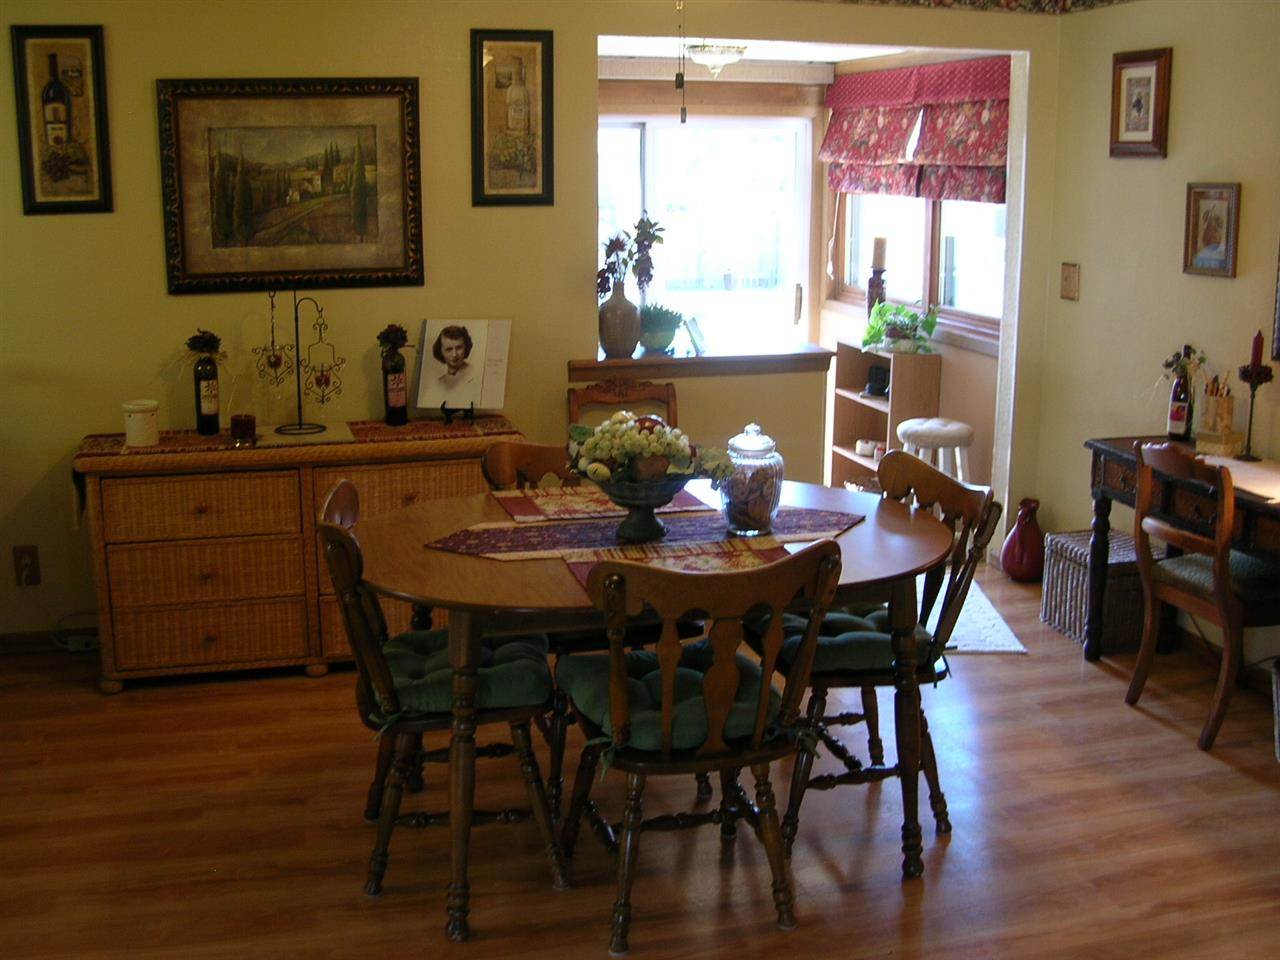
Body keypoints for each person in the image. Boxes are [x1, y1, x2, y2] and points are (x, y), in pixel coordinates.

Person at [433, 325, 476, 392]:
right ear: (441, 352)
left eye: (459, 348)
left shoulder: (474, 375)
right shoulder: (439, 383)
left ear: (466, 348)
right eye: (449, 349)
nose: (454, 354)